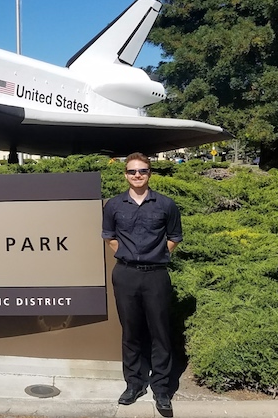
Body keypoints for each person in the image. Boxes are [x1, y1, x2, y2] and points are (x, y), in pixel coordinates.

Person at [101, 152, 182, 414]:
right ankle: (134, 383)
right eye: (132, 171)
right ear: (125, 174)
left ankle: (161, 388)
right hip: (125, 274)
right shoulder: (114, 205)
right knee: (131, 331)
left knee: (160, 332)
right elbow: (110, 237)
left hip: (156, 275)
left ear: (150, 174)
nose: (137, 175)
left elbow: (174, 237)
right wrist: (129, 255)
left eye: (142, 171)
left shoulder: (166, 205)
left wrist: (156, 256)